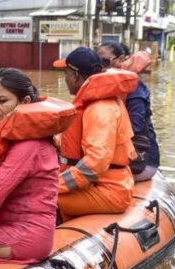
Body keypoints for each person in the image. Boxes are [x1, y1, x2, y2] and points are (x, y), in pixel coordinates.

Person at [0, 69, 60, 262]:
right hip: (11, 228)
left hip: (25, 236)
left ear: (24, 102)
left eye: (2, 101)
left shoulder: (29, 145)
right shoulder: (12, 138)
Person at [52, 47, 137, 220]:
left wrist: (54, 185)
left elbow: (95, 164)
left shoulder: (99, 108)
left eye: (66, 73)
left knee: (40, 199)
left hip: (108, 190)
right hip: (103, 184)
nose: (65, 79)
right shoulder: (98, 103)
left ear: (75, 75)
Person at [97, 41, 160, 182]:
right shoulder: (102, 87)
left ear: (121, 60)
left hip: (141, 161)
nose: (100, 66)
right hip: (112, 156)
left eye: (104, 61)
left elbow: (135, 126)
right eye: (97, 61)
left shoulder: (135, 89)